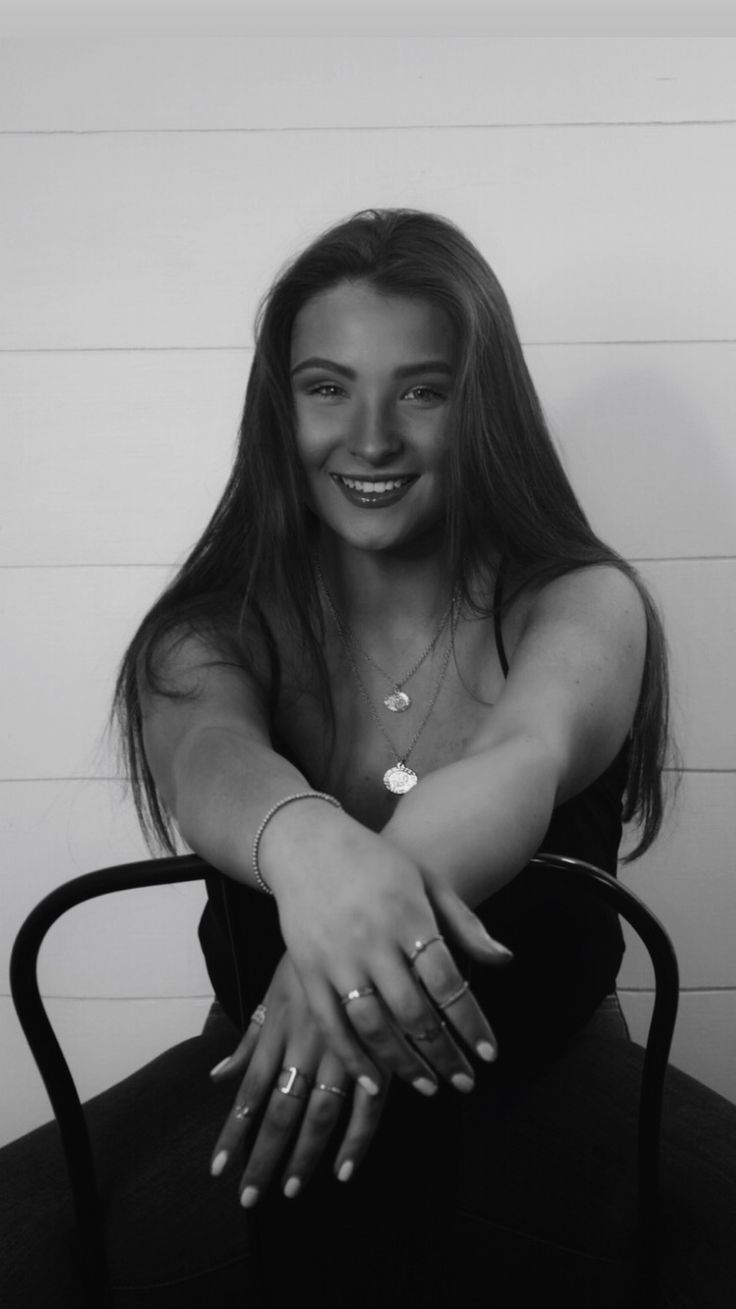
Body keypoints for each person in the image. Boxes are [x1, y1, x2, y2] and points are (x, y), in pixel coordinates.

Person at [3, 209, 735, 1308]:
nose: (374, 436)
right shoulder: (210, 625)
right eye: (327, 386)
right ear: (278, 405)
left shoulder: (579, 599)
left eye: (424, 389)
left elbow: (524, 753)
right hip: (258, 1062)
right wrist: (306, 847)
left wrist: (332, 961)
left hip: (546, 1066)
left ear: (480, 408)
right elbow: (206, 752)